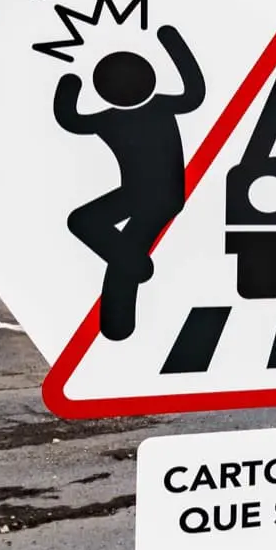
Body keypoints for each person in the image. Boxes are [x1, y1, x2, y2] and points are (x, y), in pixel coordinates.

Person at [56, 22, 204, 340]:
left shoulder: (110, 119)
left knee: (88, 224)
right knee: (95, 230)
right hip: (146, 194)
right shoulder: (151, 108)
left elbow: (70, 118)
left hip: (158, 196)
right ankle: (122, 310)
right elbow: (194, 92)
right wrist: (172, 42)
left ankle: (131, 279)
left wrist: (69, 85)